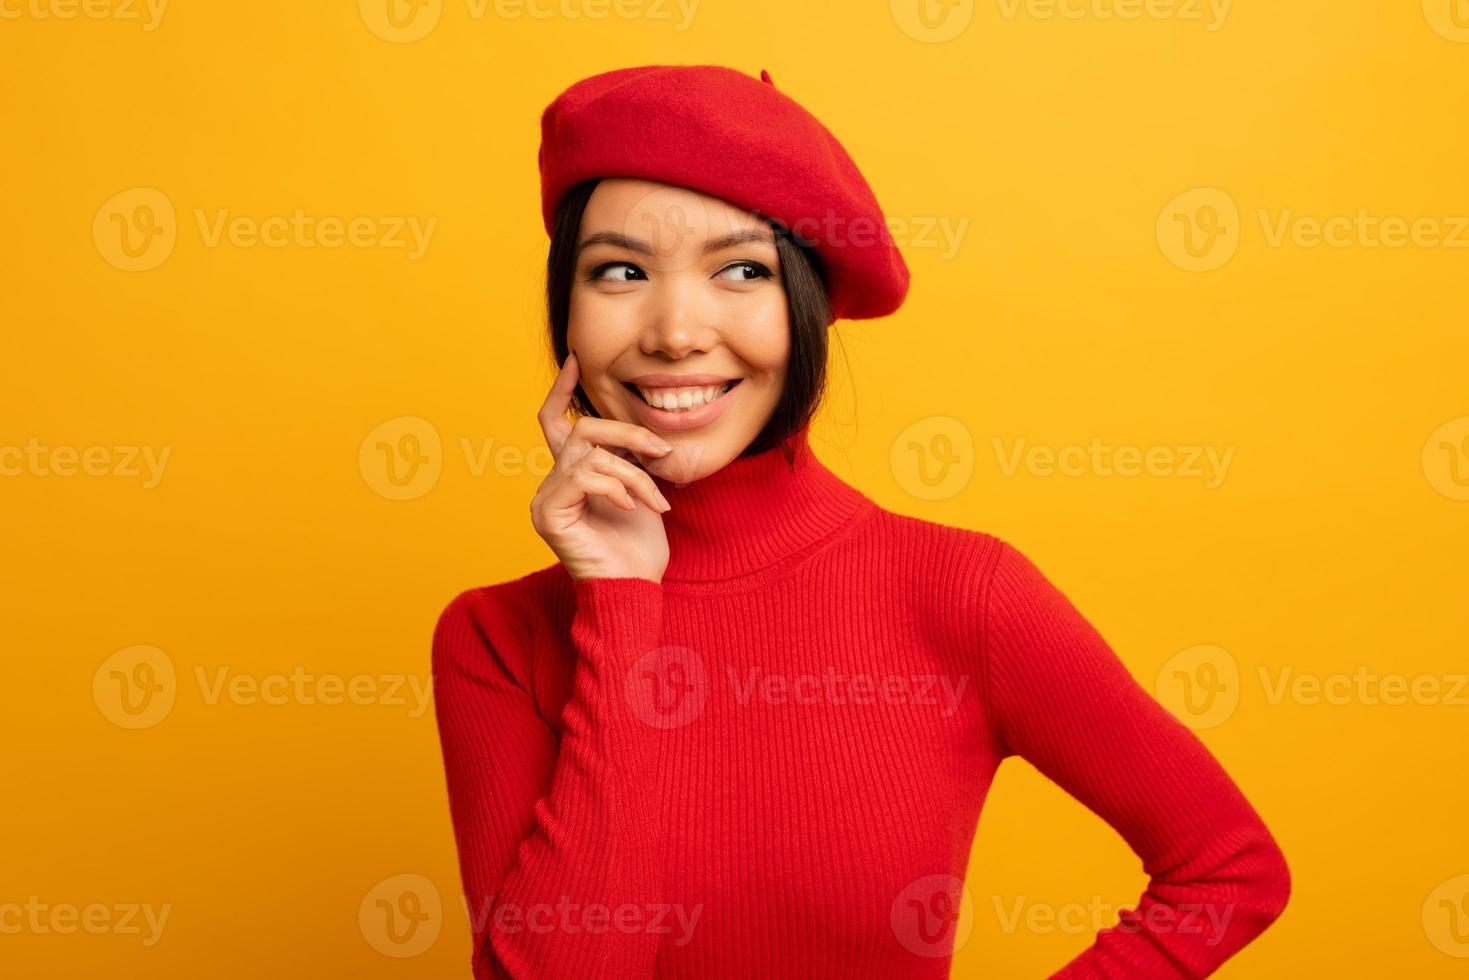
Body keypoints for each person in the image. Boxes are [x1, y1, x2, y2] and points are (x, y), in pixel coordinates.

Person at [432, 64, 1290, 979]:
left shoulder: (959, 593)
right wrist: (620, 601)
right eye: (621, 271)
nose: (675, 332)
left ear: (806, 309)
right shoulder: (495, 640)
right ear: (567, 309)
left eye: (739, 270)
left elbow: (1225, 872)